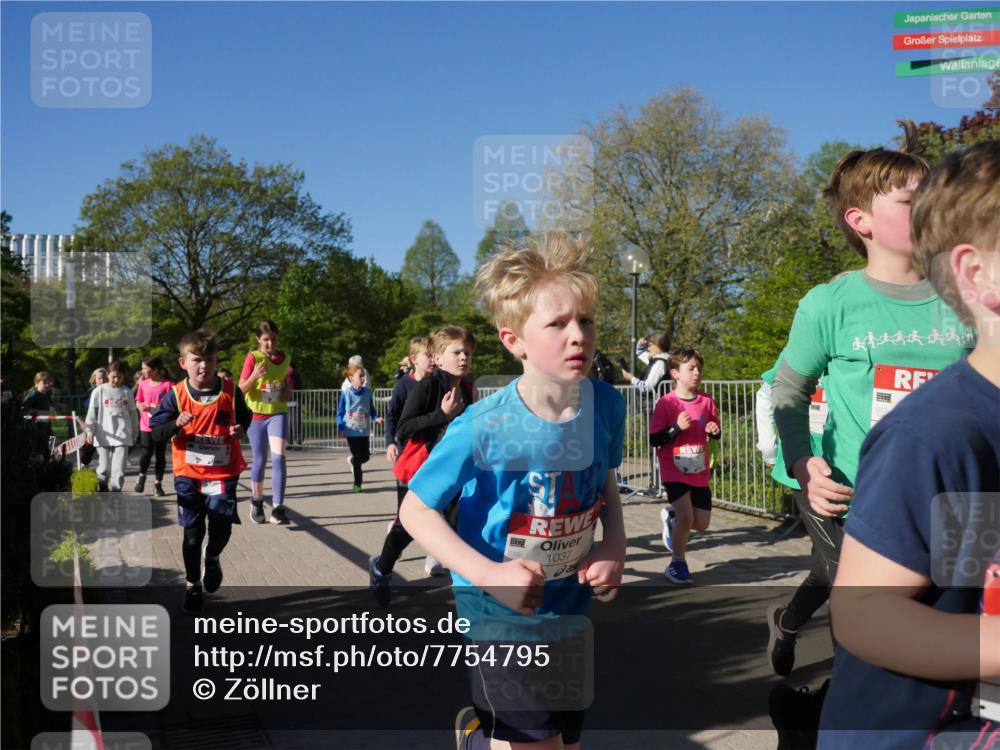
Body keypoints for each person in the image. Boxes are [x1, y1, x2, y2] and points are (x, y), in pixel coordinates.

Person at [770, 123, 975, 724]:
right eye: (913, 200)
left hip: (955, 502)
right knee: (870, 637)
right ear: (860, 221)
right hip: (854, 496)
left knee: (957, 639)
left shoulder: (965, 295)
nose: (932, 208)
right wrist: (804, 464)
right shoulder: (831, 303)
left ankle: (812, 720)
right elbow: (788, 389)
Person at [398, 232, 627, 750]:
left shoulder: (607, 406)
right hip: (497, 615)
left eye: (585, 321)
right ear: (514, 340)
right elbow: (415, 509)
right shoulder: (485, 425)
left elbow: (606, 481)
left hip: (568, 613)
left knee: (564, 744)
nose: (578, 336)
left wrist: (614, 543)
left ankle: (479, 739)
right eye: (557, 324)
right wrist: (487, 574)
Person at [817, 142, 1000, 748]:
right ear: (978, 275)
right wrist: (801, 465)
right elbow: (865, 611)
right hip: (925, 730)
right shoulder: (937, 434)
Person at [369, 326, 476, 605]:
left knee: (455, 527)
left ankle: (465, 594)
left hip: (453, 472)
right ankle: (381, 568)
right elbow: (404, 427)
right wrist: (441, 414)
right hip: (421, 471)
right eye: (457, 352)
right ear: (438, 358)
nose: (464, 357)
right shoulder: (427, 386)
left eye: (467, 352)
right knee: (406, 529)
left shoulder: (467, 388)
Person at [150, 329, 251, 614]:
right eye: (196, 359)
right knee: (192, 534)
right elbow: (156, 432)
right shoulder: (176, 395)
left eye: (209, 359)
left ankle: (214, 555)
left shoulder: (231, 390)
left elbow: (246, 417)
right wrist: (175, 424)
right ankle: (193, 584)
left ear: (217, 360)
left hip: (222, 474)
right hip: (189, 474)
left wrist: (241, 429)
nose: (203, 365)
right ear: (184, 363)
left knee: (220, 526)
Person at [757, 351, 830, 676]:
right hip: (805, 469)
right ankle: (850, 681)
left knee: (825, 567)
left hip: (860, 472)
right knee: (840, 570)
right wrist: (770, 448)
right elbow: (767, 390)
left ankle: (785, 624)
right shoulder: (818, 335)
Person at [649, 348, 720, 585]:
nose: (697, 373)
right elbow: (654, 439)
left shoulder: (707, 401)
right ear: (675, 373)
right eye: (691, 368)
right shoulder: (666, 403)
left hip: (698, 469)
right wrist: (675, 428)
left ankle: (672, 519)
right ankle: (677, 564)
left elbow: (715, 427)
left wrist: (714, 430)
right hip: (673, 469)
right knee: (687, 517)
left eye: (699, 368)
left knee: (701, 524)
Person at [381, 336, 441, 575]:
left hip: (432, 455)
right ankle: (395, 538)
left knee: (435, 506)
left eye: (436, 356)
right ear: (415, 359)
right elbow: (391, 417)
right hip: (408, 456)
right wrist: (390, 444)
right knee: (406, 510)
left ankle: (433, 555)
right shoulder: (403, 385)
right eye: (429, 356)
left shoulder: (439, 384)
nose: (433, 361)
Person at [239, 320, 292, 525]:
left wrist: (287, 391)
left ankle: (278, 508)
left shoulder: (285, 358)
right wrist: (255, 375)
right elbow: (241, 389)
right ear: (258, 340)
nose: (270, 344)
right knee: (260, 460)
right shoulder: (253, 357)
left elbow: (284, 384)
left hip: (278, 413)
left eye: (274, 340)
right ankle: (257, 501)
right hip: (256, 415)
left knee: (279, 458)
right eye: (266, 340)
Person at [84, 360, 139, 493]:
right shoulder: (99, 391)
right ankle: (102, 486)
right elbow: (92, 413)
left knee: (119, 469)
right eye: (113, 376)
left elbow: (133, 415)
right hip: (103, 434)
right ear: (108, 374)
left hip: (122, 435)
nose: (116, 380)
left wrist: (134, 433)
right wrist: (89, 431)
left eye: (119, 377)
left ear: (123, 377)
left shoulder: (127, 392)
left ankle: (116, 491)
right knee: (104, 467)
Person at [337, 362, 382, 492]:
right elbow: (339, 413)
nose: (363, 379)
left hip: (364, 431)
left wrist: (376, 418)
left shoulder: (368, 393)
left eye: (364, 376)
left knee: (365, 456)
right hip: (351, 431)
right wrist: (341, 428)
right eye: (360, 376)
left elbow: (372, 410)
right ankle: (357, 484)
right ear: (351, 378)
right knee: (358, 457)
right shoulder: (346, 393)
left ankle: (352, 460)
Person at [134, 356, 172, 496]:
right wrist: (141, 406)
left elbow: (173, 404)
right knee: (146, 452)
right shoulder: (143, 384)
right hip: (146, 423)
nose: (142, 371)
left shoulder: (168, 385)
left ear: (155, 369)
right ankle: (142, 475)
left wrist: (162, 408)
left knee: (160, 454)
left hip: (162, 425)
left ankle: (158, 484)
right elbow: (138, 401)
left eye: (145, 368)